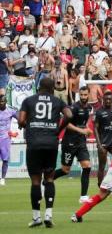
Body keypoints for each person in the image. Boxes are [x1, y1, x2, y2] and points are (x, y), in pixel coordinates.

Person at [17, 77, 72, 228]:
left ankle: (36, 217)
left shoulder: (29, 100)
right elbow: (69, 115)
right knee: (49, 179)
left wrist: (29, 125)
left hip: (34, 143)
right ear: (52, 88)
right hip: (51, 143)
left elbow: (21, 120)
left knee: (35, 181)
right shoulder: (58, 101)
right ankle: (48, 214)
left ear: (39, 87)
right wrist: (58, 130)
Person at [53, 88, 93, 203]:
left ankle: (83, 196)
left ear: (88, 95)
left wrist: (87, 129)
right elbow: (67, 124)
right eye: (81, 95)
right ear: (79, 95)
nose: (84, 97)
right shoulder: (74, 107)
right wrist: (82, 131)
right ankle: (46, 180)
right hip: (69, 141)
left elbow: (82, 124)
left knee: (87, 166)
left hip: (80, 142)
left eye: (85, 94)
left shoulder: (89, 108)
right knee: (66, 170)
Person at [94, 91, 112, 197]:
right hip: (103, 144)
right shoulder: (99, 112)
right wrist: (99, 144)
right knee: (102, 166)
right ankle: (101, 186)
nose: (108, 101)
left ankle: (110, 186)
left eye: (110, 99)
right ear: (103, 100)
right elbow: (95, 128)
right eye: (106, 99)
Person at [0, 93, 17, 186]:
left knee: (5, 160)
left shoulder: (10, 111)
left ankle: (2, 178)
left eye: (3, 101)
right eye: (0, 102)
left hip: (5, 139)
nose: (1, 103)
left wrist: (22, 124)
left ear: (6, 102)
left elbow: (20, 118)